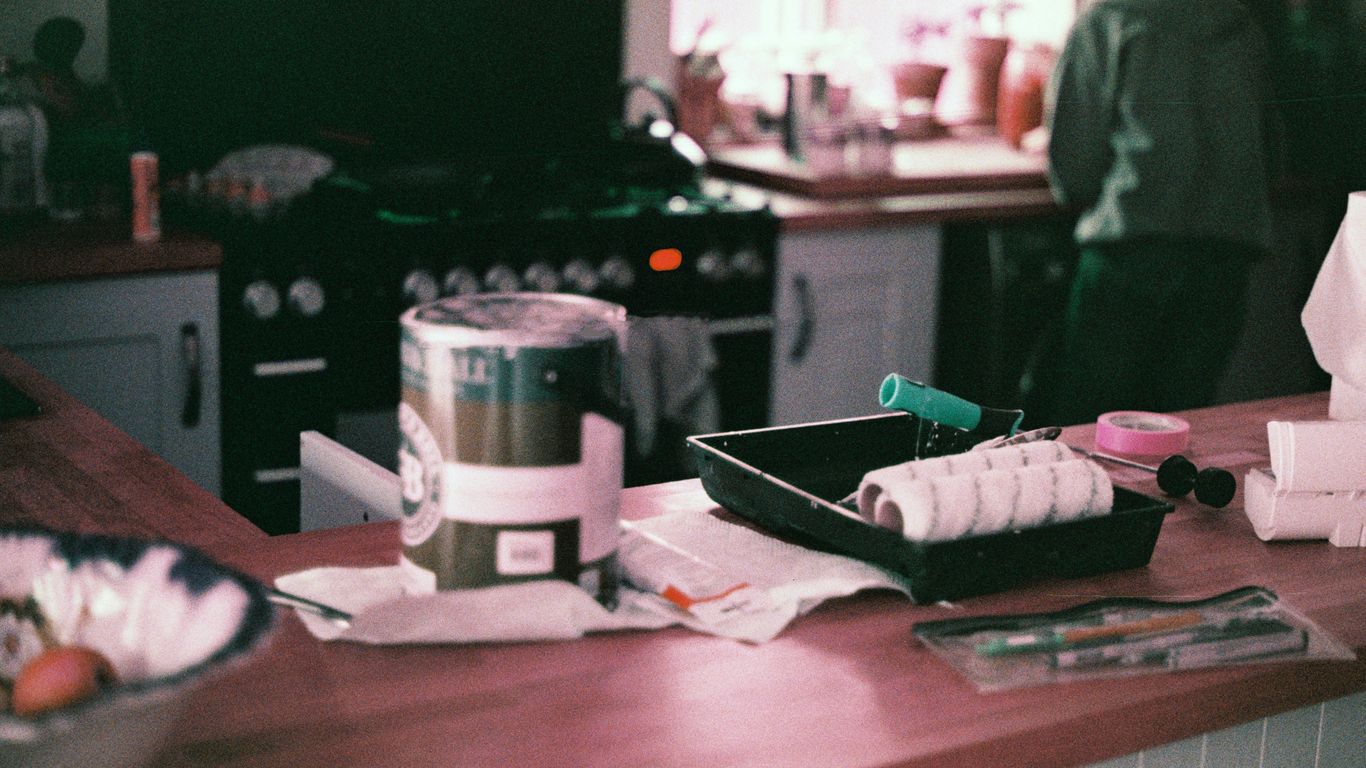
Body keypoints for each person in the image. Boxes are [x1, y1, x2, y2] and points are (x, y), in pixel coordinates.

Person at [1022, 0, 1274, 427]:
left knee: (1090, 423)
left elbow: (1073, 173)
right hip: (1226, 251)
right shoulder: (1241, 22)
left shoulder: (1109, 20)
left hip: (1132, 247)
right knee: (1181, 423)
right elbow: (1269, 147)